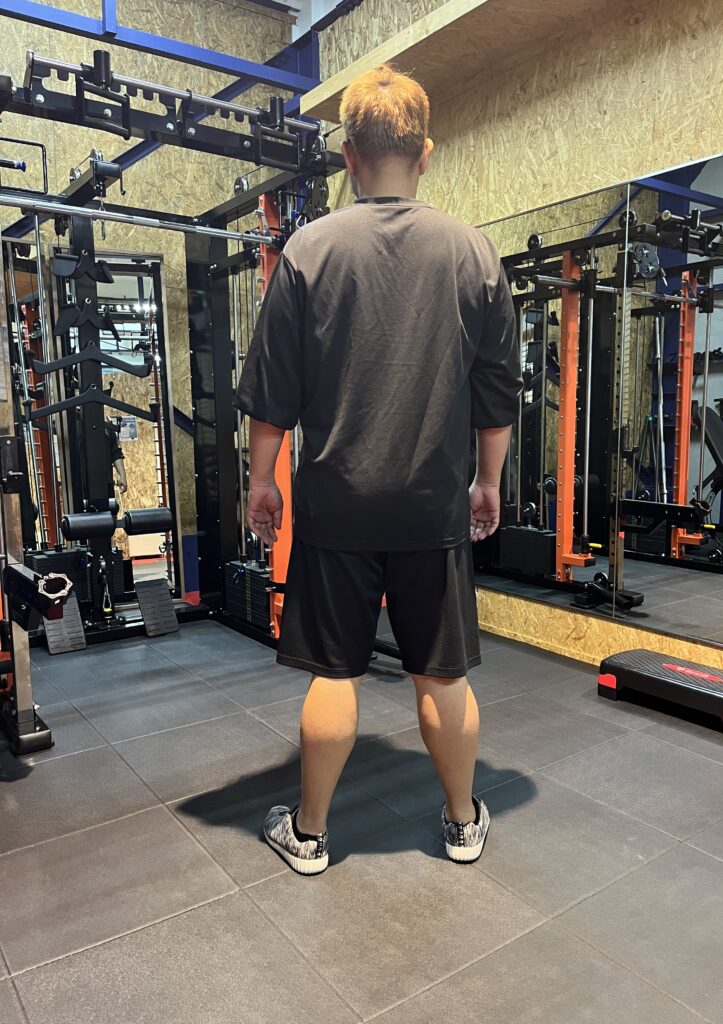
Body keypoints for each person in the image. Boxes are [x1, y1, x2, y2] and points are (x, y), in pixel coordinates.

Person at [234, 64, 521, 876]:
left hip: (339, 504)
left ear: (350, 158)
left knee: (335, 674)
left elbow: (274, 394)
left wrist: (263, 482)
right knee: (441, 673)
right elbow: (496, 394)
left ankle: (310, 834)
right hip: (432, 505)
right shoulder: (474, 253)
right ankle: (462, 823)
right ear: (424, 153)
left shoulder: (307, 251)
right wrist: (488, 482)